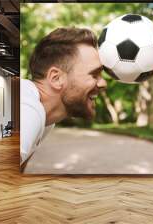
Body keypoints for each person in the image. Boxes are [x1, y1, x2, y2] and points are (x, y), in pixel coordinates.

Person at [21, 27, 107, 168]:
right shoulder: (28, 109)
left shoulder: (46, 118)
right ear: (56, 78)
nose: (103, 83)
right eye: (94, 74)